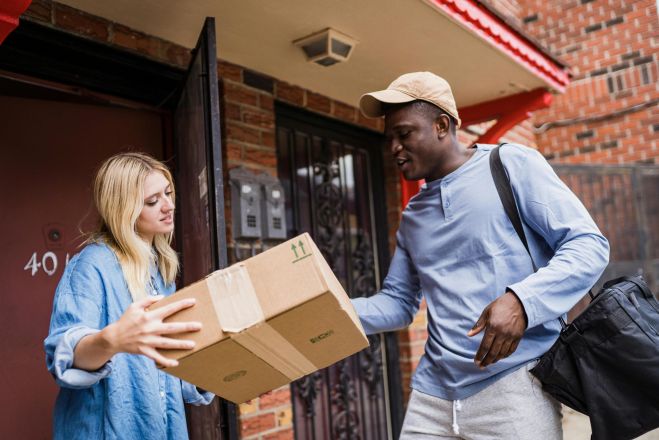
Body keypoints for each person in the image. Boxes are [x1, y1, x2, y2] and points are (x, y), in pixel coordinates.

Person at [352, 72, 609, 439]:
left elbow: (588, 244)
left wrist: (522, 301)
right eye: (389, 137)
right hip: (432, 399)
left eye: (404, 134)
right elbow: (397, 303)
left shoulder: (510, 165)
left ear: (442, 125)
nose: (393, 147)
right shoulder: (412, 217)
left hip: (514, 389)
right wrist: (326, 312)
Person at [44, 152, 214, 439]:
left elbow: (167, 366)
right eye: (152, 201)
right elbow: (65, 355)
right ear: (122, 209)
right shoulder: (92, 265)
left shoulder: (160, 269)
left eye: (168, 194)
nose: (169, 206)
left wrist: (230, 373)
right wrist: (113, 340)